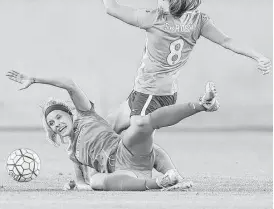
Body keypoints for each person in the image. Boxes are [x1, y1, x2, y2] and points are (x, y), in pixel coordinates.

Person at [98, 0, 271, 134]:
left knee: (137, 141)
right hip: (160, 91)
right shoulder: (198, 21)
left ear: (168, 0)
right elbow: (227, 41)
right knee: (111, 124)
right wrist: (258, 56)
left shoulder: (154, 19)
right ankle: (85, 160)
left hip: (151, 92)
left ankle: (202, 106)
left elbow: (111, 8)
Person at [6, 70, 219, 191]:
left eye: (58, 117)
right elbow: (83, 183)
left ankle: (203, 105)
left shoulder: (86, 115)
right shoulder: (72, 153)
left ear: (70, 114)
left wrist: (34, 79)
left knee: (141, 125)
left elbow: (69, 84)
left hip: (127, 150)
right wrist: (77, 185)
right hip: (121, 173)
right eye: (51, 124)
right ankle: (160, 183)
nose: (57, 124)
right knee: (97, 181)